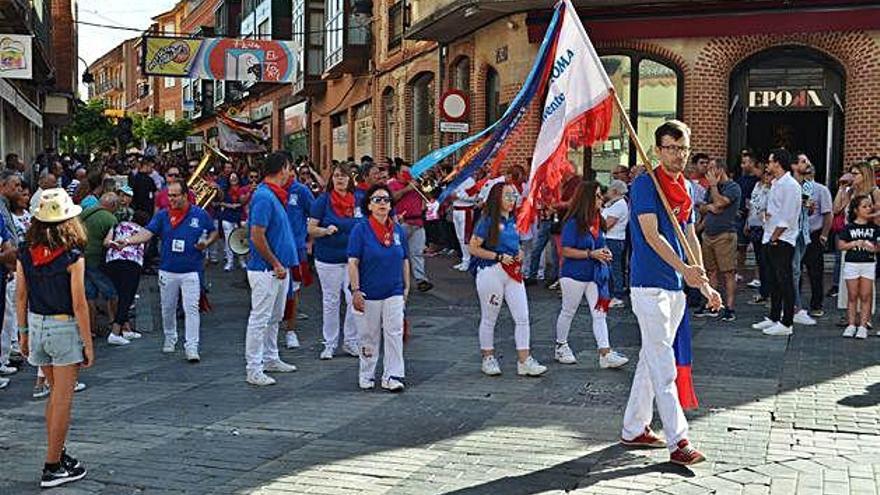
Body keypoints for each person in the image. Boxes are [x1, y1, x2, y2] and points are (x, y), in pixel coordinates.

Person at [620, 120, 720, 466]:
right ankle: (679, 441)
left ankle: (634, 427)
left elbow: (690, 235)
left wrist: (702, 281)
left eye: (683, 148)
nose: (678, 154)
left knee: (651, 358)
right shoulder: (646, 184)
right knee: (664, 366)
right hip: (649, 284)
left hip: (675, 286)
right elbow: (650, 234)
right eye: (672, 148)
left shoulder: (687, 188)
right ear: (658, 150)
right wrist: (685, 270)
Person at [16, 188, 91, 487]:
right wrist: (87, 343)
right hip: (63, 329)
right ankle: (52, 465)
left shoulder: (25, 251)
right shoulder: (73, 255)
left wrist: (22, 333)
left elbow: (20, 296)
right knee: (63, 400)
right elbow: (79, 304)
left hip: (36, 327)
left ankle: (58, 454)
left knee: (54, 398)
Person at [121, 181, 218, 362]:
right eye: (169, 196)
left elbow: (213, 232)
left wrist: (207, 243)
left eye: (174, 196)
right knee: (167, 307)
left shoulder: (200, 214)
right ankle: (170, 336)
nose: (170, 199)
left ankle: (192, 346)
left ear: (184, 195)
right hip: (168, 269)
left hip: (191, 270)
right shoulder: (162, 215)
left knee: (192, 309)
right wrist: (127, 241)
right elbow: (147, 233)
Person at [469, 182, 547, 377]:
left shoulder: (512, 221)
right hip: (491, 271)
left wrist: (519, 252)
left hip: (513, 272)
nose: (512, 200)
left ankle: (524, 359)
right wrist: (497, 256)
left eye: (514, 196)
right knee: (490, 317)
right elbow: (473, 247)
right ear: (497, 198)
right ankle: (488, 357)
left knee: (522, 317)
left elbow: (516, 244)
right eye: (507, 196)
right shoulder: (487, 220)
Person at [555, 179, 629, 369]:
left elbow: (599, 243)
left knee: (600, 314)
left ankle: (605, 353)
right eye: (597, 196)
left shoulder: (598, 220)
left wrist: (604, 251)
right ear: (587, 198)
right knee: (568, 310)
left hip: (596, 274)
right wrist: (590, 253)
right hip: (574, 274)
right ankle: (561, 345)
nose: (601, 199)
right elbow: (566, 250)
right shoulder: (573, 223)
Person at [244, 152, 299, 386]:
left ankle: (270, 357)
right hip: (266, 270)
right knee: (260, 318)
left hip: (278, 268)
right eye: (289, 168)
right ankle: (254, 368)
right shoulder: (265, 197)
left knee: (274, 317)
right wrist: (275, 262)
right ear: (282, 169)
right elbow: (257, 235)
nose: (291, 173)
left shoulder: (274, 196)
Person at [348, 184, 410, 391]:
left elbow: (405, 259)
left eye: (386, 200)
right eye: (377, 199)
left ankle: (392, 375)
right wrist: (356, 290)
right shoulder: (361, 230)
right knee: (369, 334)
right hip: (369, 291)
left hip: (393, 290)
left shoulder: (398, 230)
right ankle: (367, 373)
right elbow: (353, 262)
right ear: (369, 205)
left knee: (394, 332)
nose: (383, 203)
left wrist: (406, 287)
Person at [309, 162, 360, 360]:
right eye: (337, 176)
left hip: (352, 259)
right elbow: (311, 228)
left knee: (352, 299)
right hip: (328, 258)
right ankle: (329, 343)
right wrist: (325, 230)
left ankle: (350, 341)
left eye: (344, 176)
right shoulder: (322, 201)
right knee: (330, 301)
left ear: (350, 179)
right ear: (332, 179)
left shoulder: (358, 200)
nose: (340, 179)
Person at [752, 149, 802, 336]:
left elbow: (788, 216)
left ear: (778, 163)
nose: (768, 164)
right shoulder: (776, 183)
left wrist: (775, 237)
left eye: (770, 161)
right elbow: (777, 210)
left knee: (784, 280)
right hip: (769, 235)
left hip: (782, 239)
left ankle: (787, 322)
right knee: (772, 280)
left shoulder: (790, 185)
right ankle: (774, 317)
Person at [695, 159, 741, 322]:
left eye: (712, 169)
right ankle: (712, 304)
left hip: (725, 235)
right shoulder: (710, 189)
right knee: (710, 271)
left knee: (728, 272)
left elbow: (720, 203)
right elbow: (703, 207)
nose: (708, 172)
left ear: (720, 170)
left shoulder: (732, 187)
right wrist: (709, 207)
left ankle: (729, 307)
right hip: (708, 235)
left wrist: (714, 187)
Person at [103, 210, 149, 343]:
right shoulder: (144, 232)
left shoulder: (118, 225)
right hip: (131, 262)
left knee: (121, 295)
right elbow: (144, 250)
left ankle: (126, 330)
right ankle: (115, 333)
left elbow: (106, 242)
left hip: (112, 260)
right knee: (127, 297)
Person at [283, 165, 316, 349]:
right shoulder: (269, 190)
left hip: (296, 248)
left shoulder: (301, 191)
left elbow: (314, 215)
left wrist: (310, 240)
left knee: (293, 290)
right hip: (274, 250)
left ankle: (290, 330)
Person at [80, 193, 120, 343]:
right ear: (113, 206)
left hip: (81, 258)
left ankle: (91, 328)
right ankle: (117, 324)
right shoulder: (110, 219)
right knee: (111, 292)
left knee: (89, 295)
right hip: (96, 260)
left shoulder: (83, 213)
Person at [388, 163, 433, 292]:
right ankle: (398, 280)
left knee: (417, 253)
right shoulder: (392, 185)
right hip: (402, 223)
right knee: (398, 253)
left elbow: (429, 198)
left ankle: (421, 279)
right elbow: (392, 198)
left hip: (418, 222)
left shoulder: (417, 185)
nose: (407, 176)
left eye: (409, 173)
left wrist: (424, 189)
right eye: (404, 173)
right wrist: (407, 189)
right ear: (397, 173)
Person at [838, 195, 878, 339]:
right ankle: (851, 324)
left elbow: (877, 247)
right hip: (852, 263)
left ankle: (863, 325)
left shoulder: (874, 228)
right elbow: (841, 245)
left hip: (868, 263)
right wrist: (854, 243)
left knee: (866, 295)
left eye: (869, 206)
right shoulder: (849, 227)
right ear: (856, 210)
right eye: (864, 206)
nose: (868, 209)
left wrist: (872, 248)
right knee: (852, 295)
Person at [799, 160, 832, 317]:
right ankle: (795, 304)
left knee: (815, 272)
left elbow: (827, 213)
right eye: (803, 174)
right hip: (797, 234)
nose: (806, 176)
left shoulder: (821, 190)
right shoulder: (795, 188)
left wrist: (824, 234)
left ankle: (816, 304)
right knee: (795, 270)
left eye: (807, 173)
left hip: (814, 233)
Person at [746, 164, 771, 305]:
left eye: (769, 174)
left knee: (766, 261)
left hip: (765, 227)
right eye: (765, 173)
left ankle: (767, 292)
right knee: (760, 261)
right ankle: (763, 291)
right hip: (754, 224)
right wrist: (748, 223)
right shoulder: (757, 185)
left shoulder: (773, 189)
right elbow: (753, 205)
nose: (766, 176)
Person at [602, 179, 629, 307]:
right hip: (611, 238)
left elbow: (608, 224)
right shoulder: (613, 203)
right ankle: (611, 293)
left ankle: (617, 295)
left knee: (615, 268)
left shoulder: (619, 205)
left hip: (614, 239)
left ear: (614, 191)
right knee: (611, 266)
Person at [219, 172, 245, 271]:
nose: (233, 179)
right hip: (227, 216)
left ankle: (241, 260)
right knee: (228, 240)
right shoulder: (225, 190)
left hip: (239, 216)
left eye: (235, 177)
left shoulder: (242, 189)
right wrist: (229, 206)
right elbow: (220, 201)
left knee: (240, 240)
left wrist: (238, 205)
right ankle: (230, 262)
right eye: (231, 177)